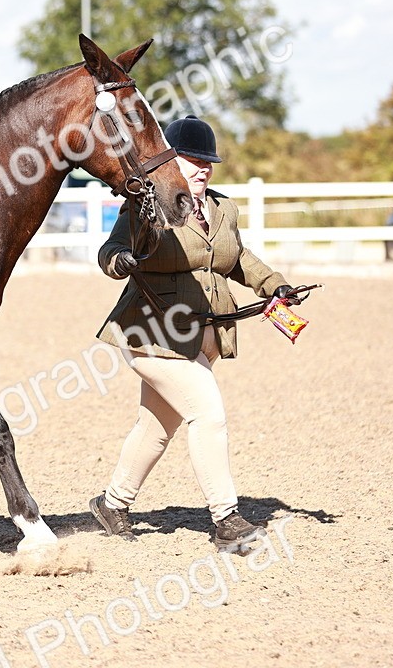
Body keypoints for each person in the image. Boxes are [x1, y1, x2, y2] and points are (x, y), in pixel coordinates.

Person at [90, 114, 293, 552]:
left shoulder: (222, 209)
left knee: (157, 426)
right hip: (150, 332)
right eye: (191, 160)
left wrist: (274, 284)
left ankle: (112, 504)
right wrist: (120, 260)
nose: (202, 169)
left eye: (208, 162)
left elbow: (237, 258)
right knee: (208, 413)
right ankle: (226, 520)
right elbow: (110, 250)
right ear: (170, 162)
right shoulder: (147, 207)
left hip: (204, 335)